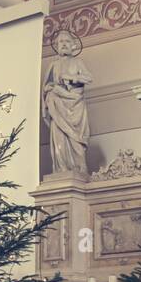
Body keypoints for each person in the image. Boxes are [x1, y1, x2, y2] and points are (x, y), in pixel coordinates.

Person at [42, 30, 92, 174]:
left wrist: (70, 77)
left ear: (73, 46)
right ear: (57, 46)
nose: (63, 44)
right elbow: (46, 86)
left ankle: (80, 167)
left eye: (67, 41)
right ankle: (61, 168)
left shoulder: (78, 62)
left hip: (75, 105)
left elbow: (88, 78)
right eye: (60, 42)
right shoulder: (53, 65)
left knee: (76, 139)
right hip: (57, 105)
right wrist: (51, 88)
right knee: (59, 137)